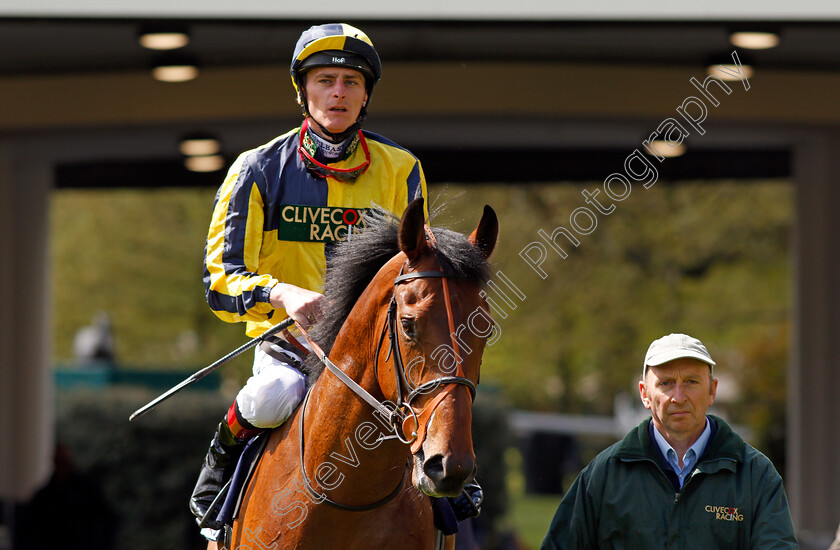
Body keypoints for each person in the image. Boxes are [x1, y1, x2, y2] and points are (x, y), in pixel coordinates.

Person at [191, 23, 480, 542]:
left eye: (351, 81)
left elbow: (416, 266)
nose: (339, 93)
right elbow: (219, 281)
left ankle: (448, 502)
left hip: (376, 352)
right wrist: (281, 292)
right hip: (291, 347)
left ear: (367, 94)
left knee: (434, 399)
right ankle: (216, 489)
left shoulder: (401, 168)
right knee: (271, 396)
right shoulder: (255, 169)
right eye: (326, 79)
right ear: (304, 90)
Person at [541, 333, 798, 549]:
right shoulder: (604, 475)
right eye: (666, 383)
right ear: (645, 394)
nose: (679, 396)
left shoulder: (756, 475)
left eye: (691, 381)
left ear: (712, 390)